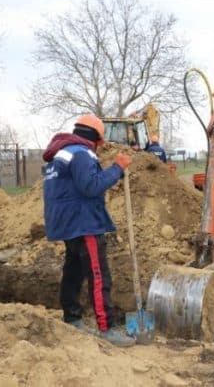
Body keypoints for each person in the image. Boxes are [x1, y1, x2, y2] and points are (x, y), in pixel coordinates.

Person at [42, 114, 136, 346]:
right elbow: (91, 186)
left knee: (73, 271)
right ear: (97, 139)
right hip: (83, 223)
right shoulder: (81, 154)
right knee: (97, 275)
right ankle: (107, 328)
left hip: (67, 223)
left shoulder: (60, 155)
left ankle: (72, 317)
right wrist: (117, 168)